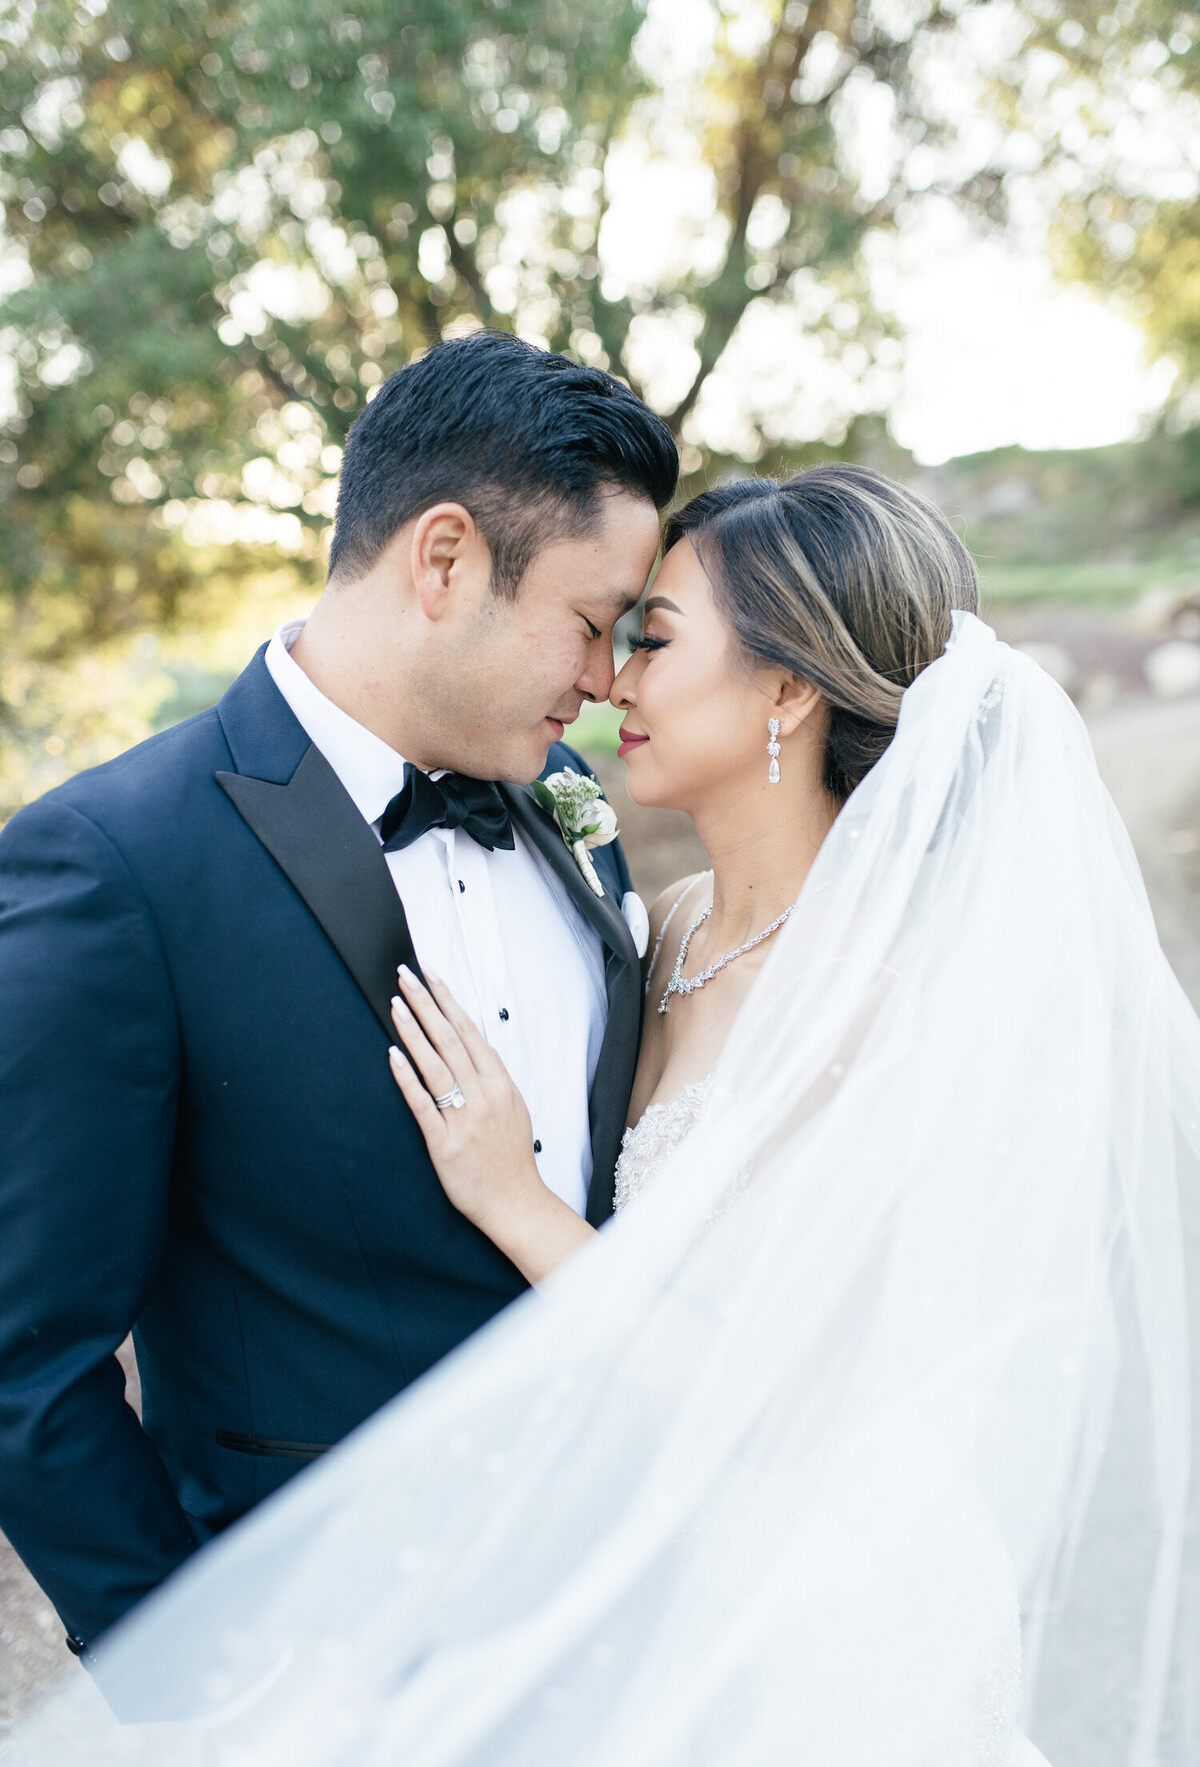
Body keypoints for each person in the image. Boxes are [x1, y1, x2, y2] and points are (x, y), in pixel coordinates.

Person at [7, 466, 1195, 1767]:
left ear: (789, 689)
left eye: (657, 637)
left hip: (809, 1612)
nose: (614, 680)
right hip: (593, 1600)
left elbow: (799, 1400)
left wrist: (518, 1203)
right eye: (611, 631)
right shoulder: (654, 923)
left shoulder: (901, 999)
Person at [0, 330, 677, 1664]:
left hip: (619, 1643)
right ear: (444, 559)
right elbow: (28, 1362)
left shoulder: (575, 829)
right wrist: (194, 1687)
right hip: (322, 1678)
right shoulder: (115, 863)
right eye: (591, 622)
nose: (606, 679)